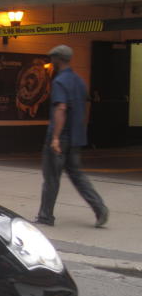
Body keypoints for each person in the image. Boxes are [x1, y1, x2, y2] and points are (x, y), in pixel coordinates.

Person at [35, 45, 109, 228]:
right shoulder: (79, 81)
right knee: (77, 175)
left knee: (51, 177)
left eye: (52, 58)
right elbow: (85, 106)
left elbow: (61, 108)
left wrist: (55, 138)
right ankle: (100, 208)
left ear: (58, 59)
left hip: (61, 137)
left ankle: (45, 216)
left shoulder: (60, 82)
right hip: (76, 137)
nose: (51, 61)